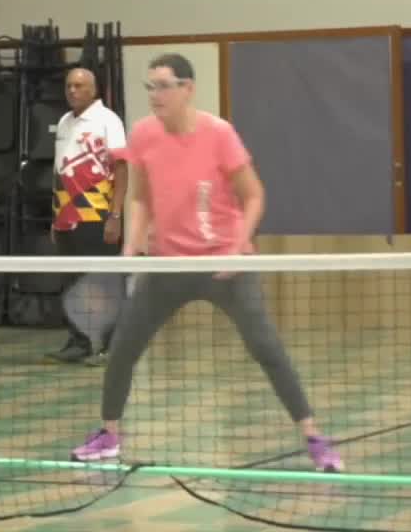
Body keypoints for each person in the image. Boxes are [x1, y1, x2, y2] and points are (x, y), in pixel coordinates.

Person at [69, 54, 343, 473]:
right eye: (150, 87)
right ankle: (109, 435)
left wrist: (239, 243)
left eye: (164, 86)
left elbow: (254, 195)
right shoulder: (143, 134)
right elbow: (140, 197)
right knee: (124, 347)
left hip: (223, 267)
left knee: (266, 348)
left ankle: (314, 437)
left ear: (187, 89)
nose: (155, 95)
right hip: (168, 267)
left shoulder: (219, 134)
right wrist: (133, 244)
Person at [45, 67, 128, 365]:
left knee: (104, 283)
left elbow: (121, 169)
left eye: (79, 86)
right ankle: (78, 343)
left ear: (94, 90)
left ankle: (113, 347)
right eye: (69, 85)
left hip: (97, 214)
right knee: (72, 284)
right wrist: (54, 217)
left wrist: (115, 215)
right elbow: (59, 170)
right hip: (65, 216)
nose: (72, 91)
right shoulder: (64, 122)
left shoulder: (108, 120)